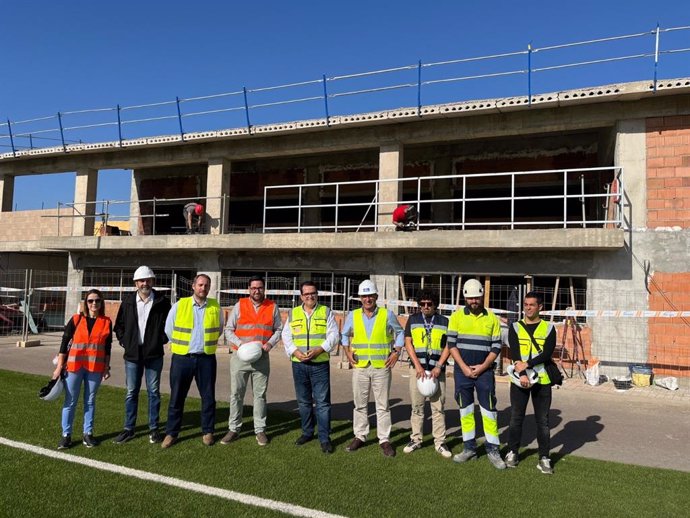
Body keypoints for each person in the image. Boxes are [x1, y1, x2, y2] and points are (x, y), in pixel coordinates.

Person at [341, 279, 404, 457]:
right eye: (364, 296)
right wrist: (347, 352)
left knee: (382, 406)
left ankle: (384, 439)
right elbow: (344, 334)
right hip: (360, 367)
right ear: (360, 298)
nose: (367, 299)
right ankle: (360, 436)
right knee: (359, 405)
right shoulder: (353, 315)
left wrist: (396, 351)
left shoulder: (387, 314)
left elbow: (400, 333)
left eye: (370, 295)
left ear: (376, 296)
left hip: (381, 367)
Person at [447, 278, 506, 469]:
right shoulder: (456, 317)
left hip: (485, 372)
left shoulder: (492, 318)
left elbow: (497, 346)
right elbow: (451, 345)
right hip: (462, 371)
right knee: (466, 410)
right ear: (465, 297)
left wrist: (481, 367)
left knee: (489, 411)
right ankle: (469, 448)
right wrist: (464, 367)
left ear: (482, 296)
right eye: (470, 298)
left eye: (477, 298)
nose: (474, 301)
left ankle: (493, 450)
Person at [161, 273, 223, 448]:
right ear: (193, 286)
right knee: (176, 398)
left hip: (206, 359)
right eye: (200, 285)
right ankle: (171, 433)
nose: (203, 288)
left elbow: (219, 329)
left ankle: (208, 431)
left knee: (208, 397)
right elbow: (169, 329)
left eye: (206, 285)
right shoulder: (180, 305)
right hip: (183, 358)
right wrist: (183, 345)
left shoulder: (214, 306)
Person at [113, 266, 171, 445]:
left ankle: (154, 428)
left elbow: (169, 325)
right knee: (131, 392)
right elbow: (119, 325)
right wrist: (125, 342)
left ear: (153, 281)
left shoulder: (162, 301)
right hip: (132, 355)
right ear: (136, 283)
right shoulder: (128, 301)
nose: (144, 283)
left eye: (148, 280)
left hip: (153, 354)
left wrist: (160, 340)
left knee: (154, 392)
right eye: (141, 280)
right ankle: (129, 428)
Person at [222, 275, 283, 446]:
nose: (257, 291)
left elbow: (278, 329)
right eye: (253, 288)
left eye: (260, 288)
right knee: (236, 394)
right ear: (249, 289)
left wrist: (270, 343)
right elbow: (228, 330)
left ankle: (260, 430)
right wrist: (241, 345)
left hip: (261, 358)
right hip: (240, 357)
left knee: (260, 395)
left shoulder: (272, 307)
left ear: (264, 289)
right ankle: (234, 428)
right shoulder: (239, 305)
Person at [281, 281, 339, 454]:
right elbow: (286, 336)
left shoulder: (326, 311)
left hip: (319, 363)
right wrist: (295, 352)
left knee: (322, 403)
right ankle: (307, 432)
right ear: (301, 296)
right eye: (306, 294)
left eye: (312, 293)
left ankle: (324, 438)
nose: (310, 296)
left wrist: (320, 349)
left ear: (317, 294)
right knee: (304, 401)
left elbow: (334, 335)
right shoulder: (293, 313)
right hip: (299, 364)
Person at [53, 289, 112, 450]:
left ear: (101, 303)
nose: (94, 304)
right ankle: (66, 435)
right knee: (70, 401)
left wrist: (106, 367)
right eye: (90, 301)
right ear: (85, 303)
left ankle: (88, 433)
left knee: (90, 401)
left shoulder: (107, 321)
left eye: (97, 300)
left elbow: (107, 348)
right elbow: (64, 344)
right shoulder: (76, 319)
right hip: (74, 367)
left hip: (95, 368)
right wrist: (59, 367)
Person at [505, 292, 557, 475]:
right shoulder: (515, 327)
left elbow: (547, 353)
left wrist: (528, 365)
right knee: (516, 418)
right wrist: (522, 373)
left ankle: (544, 457)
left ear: (540, 307)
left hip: (542, 380)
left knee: (542, 421)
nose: (527, 308)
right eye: (526, 304)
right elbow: (515, 352)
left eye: (532, 305)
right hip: (520, 379)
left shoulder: (549, 328)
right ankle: (512, 452)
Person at [402, 289, 453, 458]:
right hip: (418, 370)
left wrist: (439, 366)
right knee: (417, 407)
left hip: (437, 371)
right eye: (422, 304)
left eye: (429, 304)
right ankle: (416, 439)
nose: (425, 307)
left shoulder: (445, 321)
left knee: (438, 407)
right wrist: (417, 366)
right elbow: (408, 343)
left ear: (435, 305)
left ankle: (440, 442)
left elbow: (448, 346)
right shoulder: (413, 319)